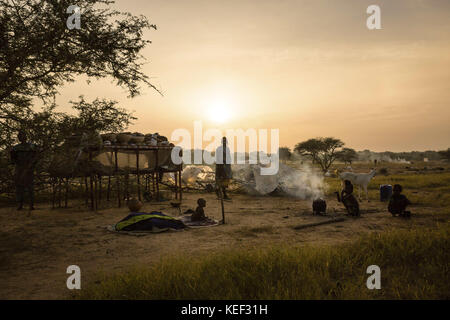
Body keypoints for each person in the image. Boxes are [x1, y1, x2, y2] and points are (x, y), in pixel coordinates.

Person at [10, 130, 38, 210]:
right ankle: (20, 204)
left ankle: (31, 204)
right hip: (19, 169)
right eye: (20, 136)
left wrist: (30, 165)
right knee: (19, 187)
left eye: (23, 136)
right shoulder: (15, 148)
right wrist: (18, 165)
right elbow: (13, 159)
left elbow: (35, 157)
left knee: (30, 187)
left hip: (29, 169)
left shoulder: (32, 146)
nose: (22, 137)